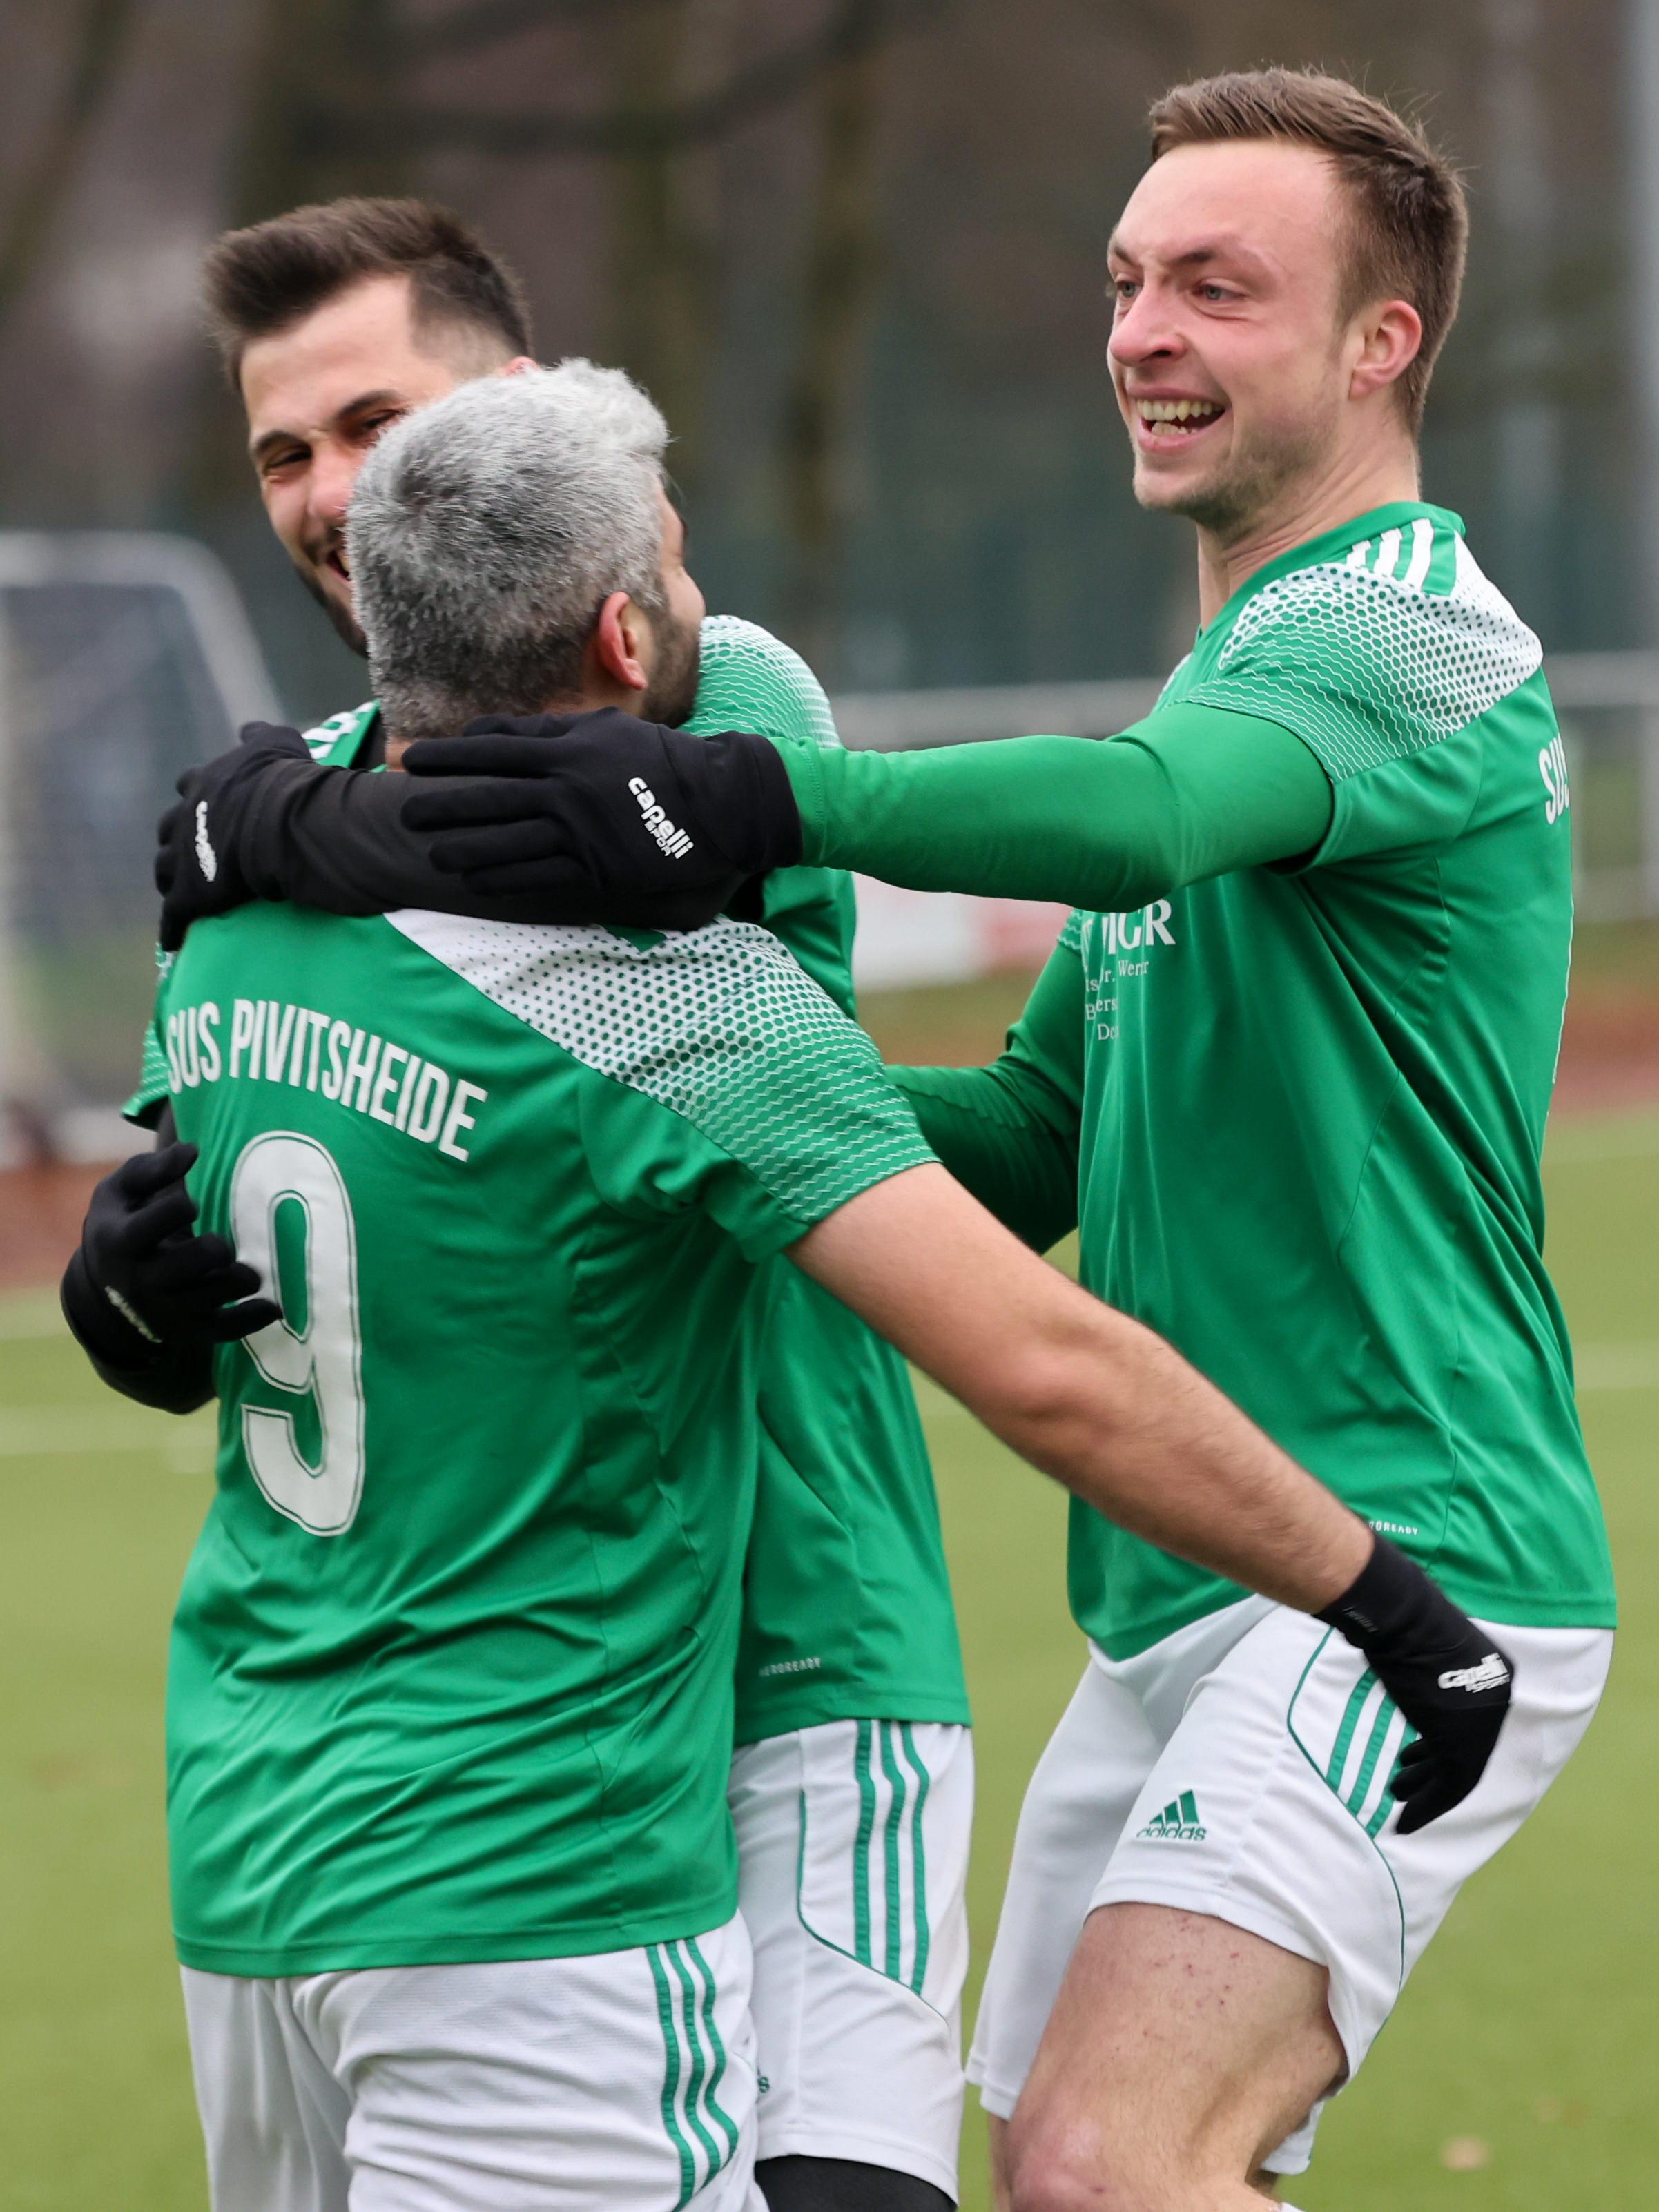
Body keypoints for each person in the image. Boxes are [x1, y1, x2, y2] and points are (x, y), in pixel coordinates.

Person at [153, 70, 1616, 2210]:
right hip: (1187, 1584)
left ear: (1382, 340)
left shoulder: (1401, 625)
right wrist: (636, 1121)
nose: (1140, 330)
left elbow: (1131, 820)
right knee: (1074, 2180)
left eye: (1215, 286)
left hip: (1400, 1530)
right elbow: (1022, 1131)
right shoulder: (1234, 676)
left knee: (1105, 2159)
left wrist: (748, 806)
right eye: (1124, 279)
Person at [100, 197, 976, 2210]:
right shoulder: (291, 809)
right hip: (503, 1744)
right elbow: (236, 1255)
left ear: (522, 407)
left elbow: (588, 853)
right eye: (283, 451)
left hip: (795, 1660)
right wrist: (129, 1286)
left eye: (374, 423)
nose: (333, 492)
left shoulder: (721, 689)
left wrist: (283, 822)